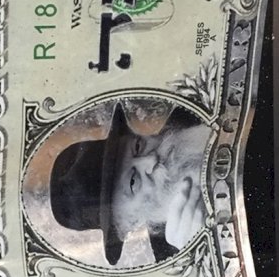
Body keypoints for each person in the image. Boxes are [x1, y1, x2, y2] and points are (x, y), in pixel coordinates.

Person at [48, 102, 211, 265]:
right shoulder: (181, 260)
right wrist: (202, 250)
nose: (151, 160)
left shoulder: (197, 107)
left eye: (138, 146)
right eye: (133, 181)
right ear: (132, 221)